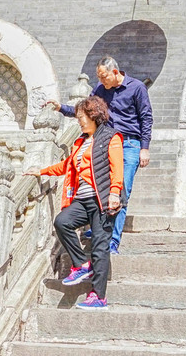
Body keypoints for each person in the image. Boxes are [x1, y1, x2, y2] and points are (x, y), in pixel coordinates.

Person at [58, 56, 152, 254]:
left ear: (115, 72)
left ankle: (113, 242)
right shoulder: (101, 90)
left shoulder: (136, 88)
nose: (101, 81)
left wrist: (145, 147)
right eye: (99, 77)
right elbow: (86, 109)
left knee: (121, 191)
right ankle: (99, 228)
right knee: (99, 188)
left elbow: (146, 117)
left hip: (129, 145)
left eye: (104, 76)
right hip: (105, 144)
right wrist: (61, 109)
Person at [39, 95, 124, 310]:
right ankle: (81, 265)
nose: (79, 121)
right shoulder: (80, 141)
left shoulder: (110, 137)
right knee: (62, 222)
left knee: (99, 247)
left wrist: (114, 193)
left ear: (93, 115)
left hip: (102, 200)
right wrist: (41, 171)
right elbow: (67, 166)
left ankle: (98, 296)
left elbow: (117, 169)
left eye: (81, 117)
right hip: (82, 199)